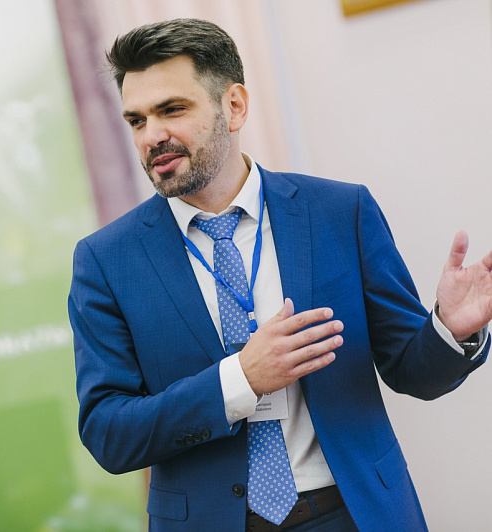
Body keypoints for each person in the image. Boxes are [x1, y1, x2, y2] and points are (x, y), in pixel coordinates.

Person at [67, 18, 492, 532]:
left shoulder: (340, 212)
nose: (152, 136)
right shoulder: (106, 261)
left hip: (355, 514)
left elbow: (411, 370)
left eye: (172, 109)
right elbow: (109, 433)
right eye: (136, 120)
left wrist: (450, 329)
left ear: (234, 105)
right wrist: (240, 380)